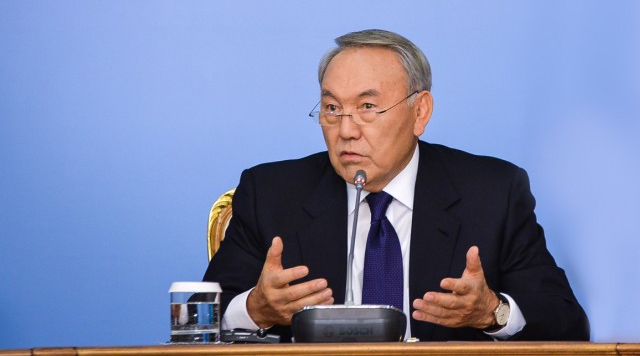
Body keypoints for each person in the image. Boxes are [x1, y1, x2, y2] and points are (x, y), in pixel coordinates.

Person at [203, 29, 589, 342]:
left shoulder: (492, 194)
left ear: (420, 112)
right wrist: (255, 309)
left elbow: (567, 323)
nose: (346, 130)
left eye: (368, 107)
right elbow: (199, 321)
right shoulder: (271, 193)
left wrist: (493, 312)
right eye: (332, 108)